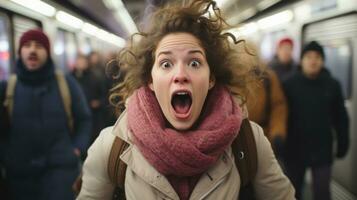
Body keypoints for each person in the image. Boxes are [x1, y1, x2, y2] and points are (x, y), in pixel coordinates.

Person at [78, 1, 295, 199]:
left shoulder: (249, 142)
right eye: (166, 64)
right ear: (151, 80)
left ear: (211, 78)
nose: (180, 74)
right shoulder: (112, 147)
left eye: (194, 63)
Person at [0, 29, 92, 200]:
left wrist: (77, 148)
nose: (32, 50)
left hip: (61, 172)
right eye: (27, 45)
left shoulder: (66, 83)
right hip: (20, 175)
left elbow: (84, 119)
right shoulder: (8, 88)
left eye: (39, 46)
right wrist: (7, 155)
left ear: (47, 52)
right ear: (20, 51)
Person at [283, 41, 349, 200]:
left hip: (322, 149)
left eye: (317, 57)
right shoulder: (289, 84)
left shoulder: (332, 85)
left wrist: (343, 141)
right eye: (308, 57)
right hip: (294, 148)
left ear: (323, 60)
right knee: (292, 192)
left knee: (322, 192)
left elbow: (341, 117)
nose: (313, 61)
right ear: (302, 60)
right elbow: (281, 115)